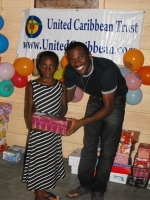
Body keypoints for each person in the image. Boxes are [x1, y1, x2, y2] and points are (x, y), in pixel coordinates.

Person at [64, 41, 128, 200]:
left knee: (107, 151)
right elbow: (68, 97)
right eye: (72, 60)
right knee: (89, 145)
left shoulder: (106, 69)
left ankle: (99, 190)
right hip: (95, 99)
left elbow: (108, 108)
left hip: (115, 102)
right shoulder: (70, 71)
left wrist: (80, 122)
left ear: (89, 55)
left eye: (80, 57)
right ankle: (85, 185)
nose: (77, 63)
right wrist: (54, 116)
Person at [22, 51, 67, 200]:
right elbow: (28, 108)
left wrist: (58, 120)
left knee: (48, 160)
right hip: (38, 131)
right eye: (44, 65)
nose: (48, 69)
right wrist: (31, 125)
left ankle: (41, 190)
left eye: (51, 66)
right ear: (39, 66)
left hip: (53, 131)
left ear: (56, 67)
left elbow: (64, 106)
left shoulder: (61, 86)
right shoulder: (32, 85)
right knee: (38, 160)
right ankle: (39, 194)